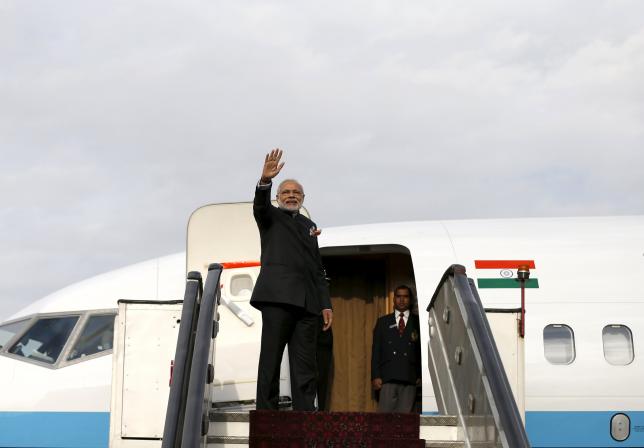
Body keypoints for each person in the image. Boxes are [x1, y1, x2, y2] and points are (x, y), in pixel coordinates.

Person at [251, 148, 333, 411]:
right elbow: (260, 206)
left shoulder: (310, 226)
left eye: (296, 193)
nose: (291, 196)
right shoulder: (270, 217)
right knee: (271, 360)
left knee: (305, 364)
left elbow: (317, 269)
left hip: (307, 305)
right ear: (277, 197)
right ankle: (267, 413)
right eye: (286, 192)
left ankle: (305, 415)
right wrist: (265, 180)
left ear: (303, 198)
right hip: (277, 299)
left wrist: (325, 303)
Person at [371, 285, 421, 412]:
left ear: (410, 299)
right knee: (384, 421)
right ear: (394, 299)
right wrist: (375, 375)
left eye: (405, 296)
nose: (402, 300)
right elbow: (376, 351)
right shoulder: (383, 322)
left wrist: (420, 375)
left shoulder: (418, 322)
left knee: (405, 422)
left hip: (409, 377)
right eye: (398, 296)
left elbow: (422, 351)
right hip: (387, 377)